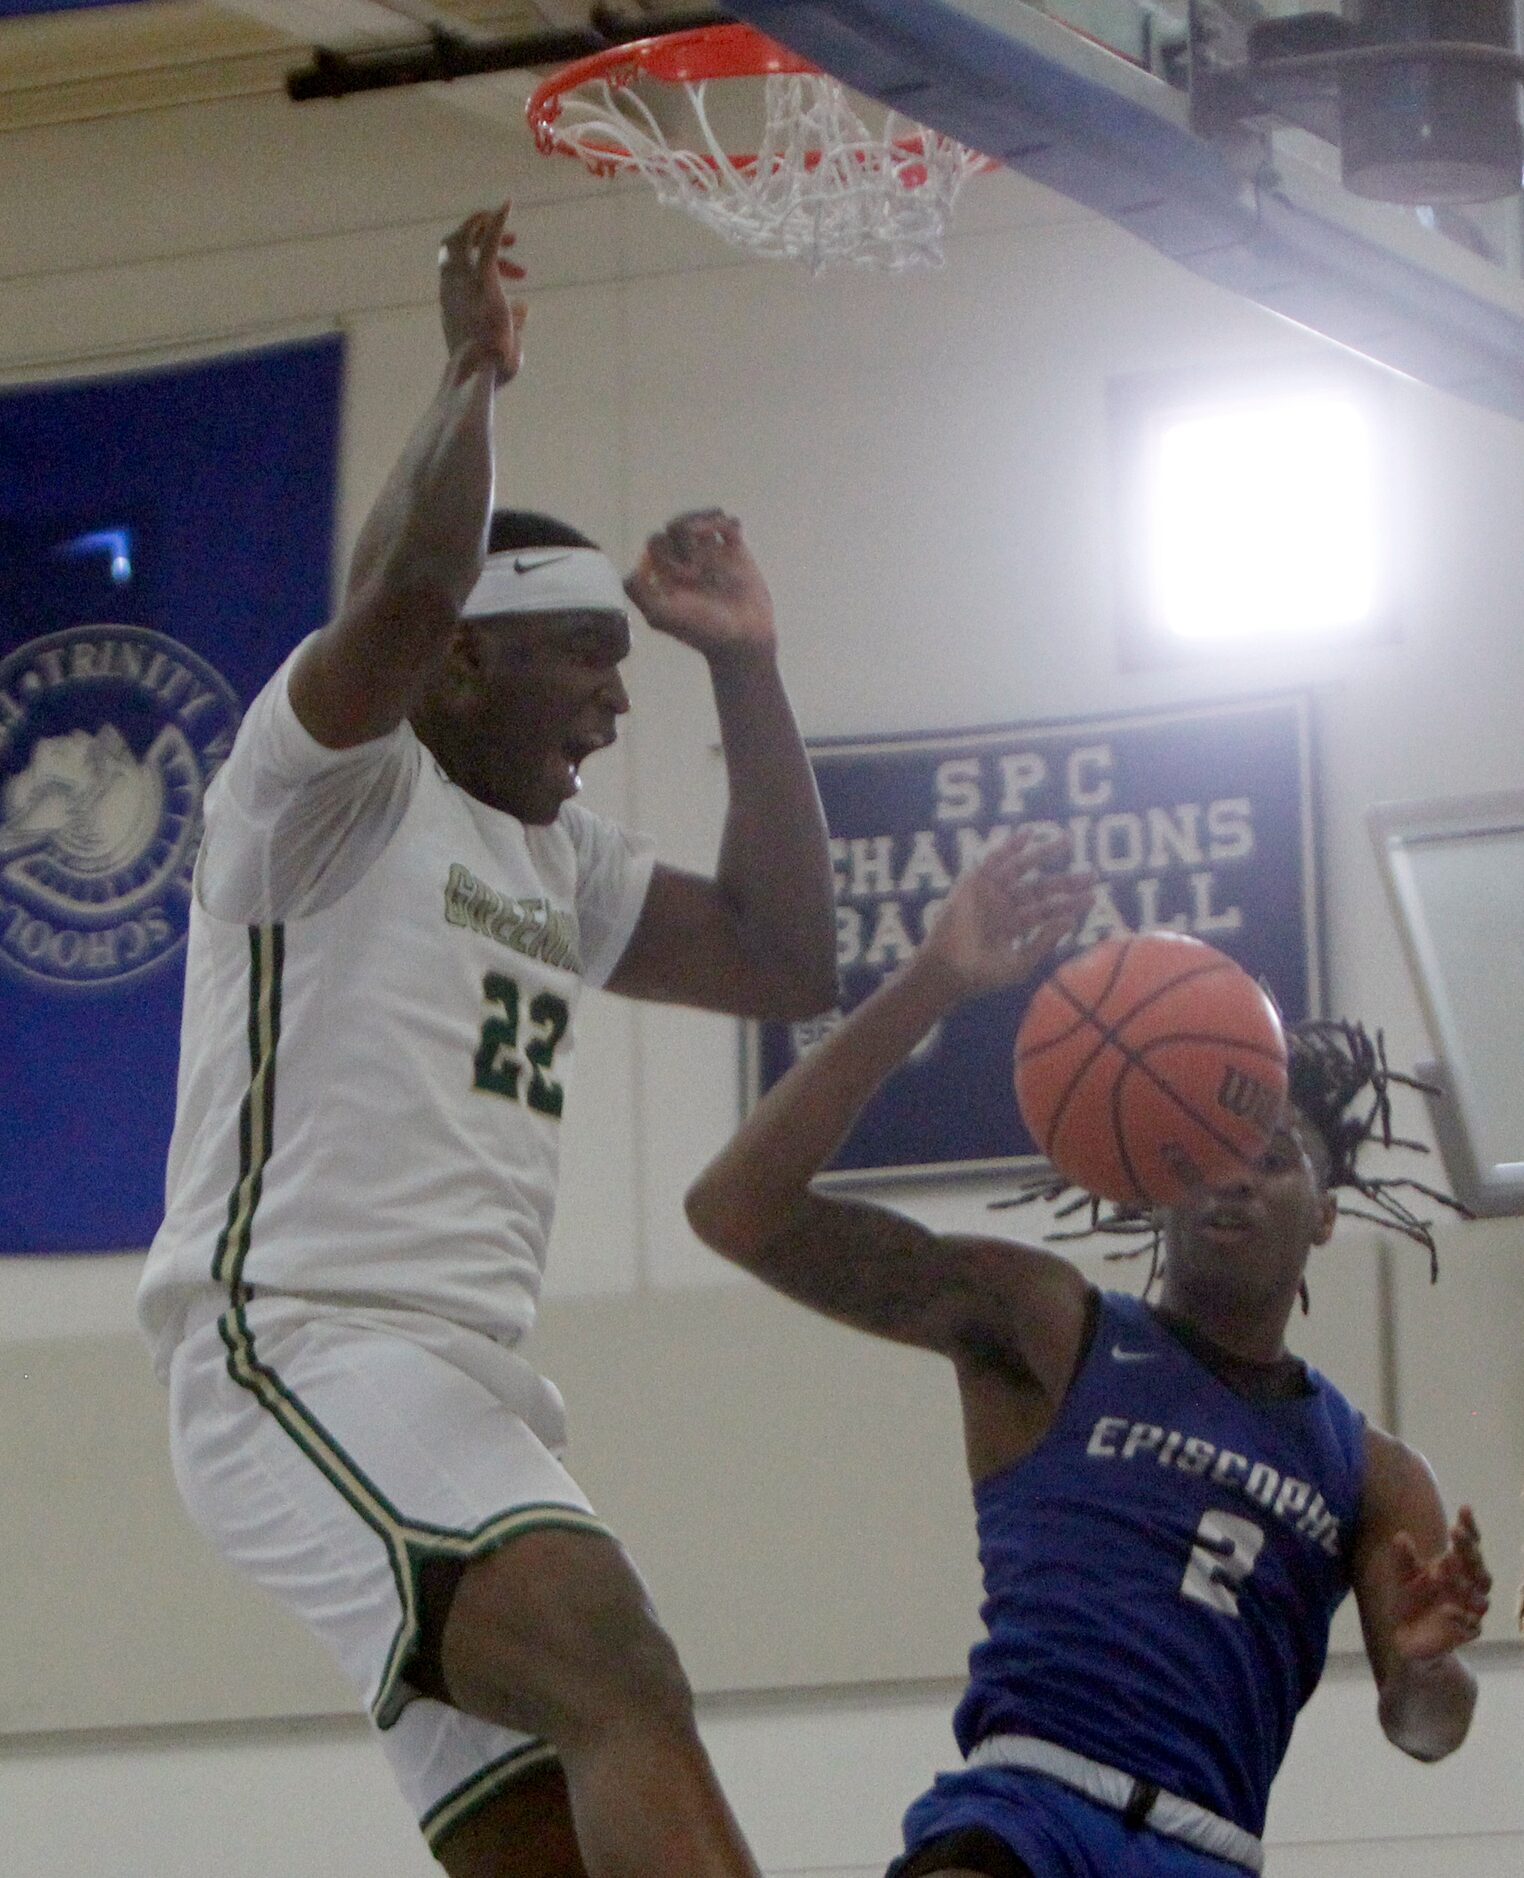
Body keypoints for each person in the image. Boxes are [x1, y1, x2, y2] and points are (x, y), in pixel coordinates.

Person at [135, 203, 835, 1878]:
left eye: (623, 662)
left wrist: (745, 664)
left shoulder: (559, 855)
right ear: (460, 659)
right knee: (616, 1662)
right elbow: (399, 584)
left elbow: (780, 952)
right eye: (579, 656)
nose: (611, 697)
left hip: (469, 1391)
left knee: (546, 1830)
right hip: (297, 1349)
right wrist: (470, 374)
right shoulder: (326, 793)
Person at [685, 829, 1491, 1878]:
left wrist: (1432, 1670)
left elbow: (1425, 1731)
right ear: (1156, 1168)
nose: (1237, 1174)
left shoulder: (1374, 1469)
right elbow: (735, 1210)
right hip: (1026, 1807)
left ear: (1327, 1215)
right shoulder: (1049, 1325)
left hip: (1208, 1848)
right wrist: (930, 984)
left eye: (1276, 1155)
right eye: (1209, 1140)